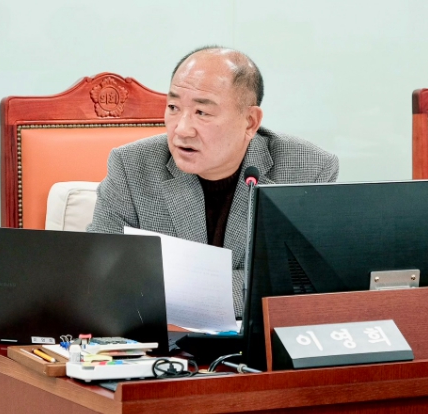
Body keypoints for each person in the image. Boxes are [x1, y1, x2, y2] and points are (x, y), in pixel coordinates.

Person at [87, 46, 339, 317]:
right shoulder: (132, 166)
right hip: (162, 338)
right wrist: (242, 282)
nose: (182, 129)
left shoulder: (307, 168)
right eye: (173, 107)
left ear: (250, 122)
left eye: (202, 112)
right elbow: (100, 275)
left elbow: (307, 282)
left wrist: (171, 287)